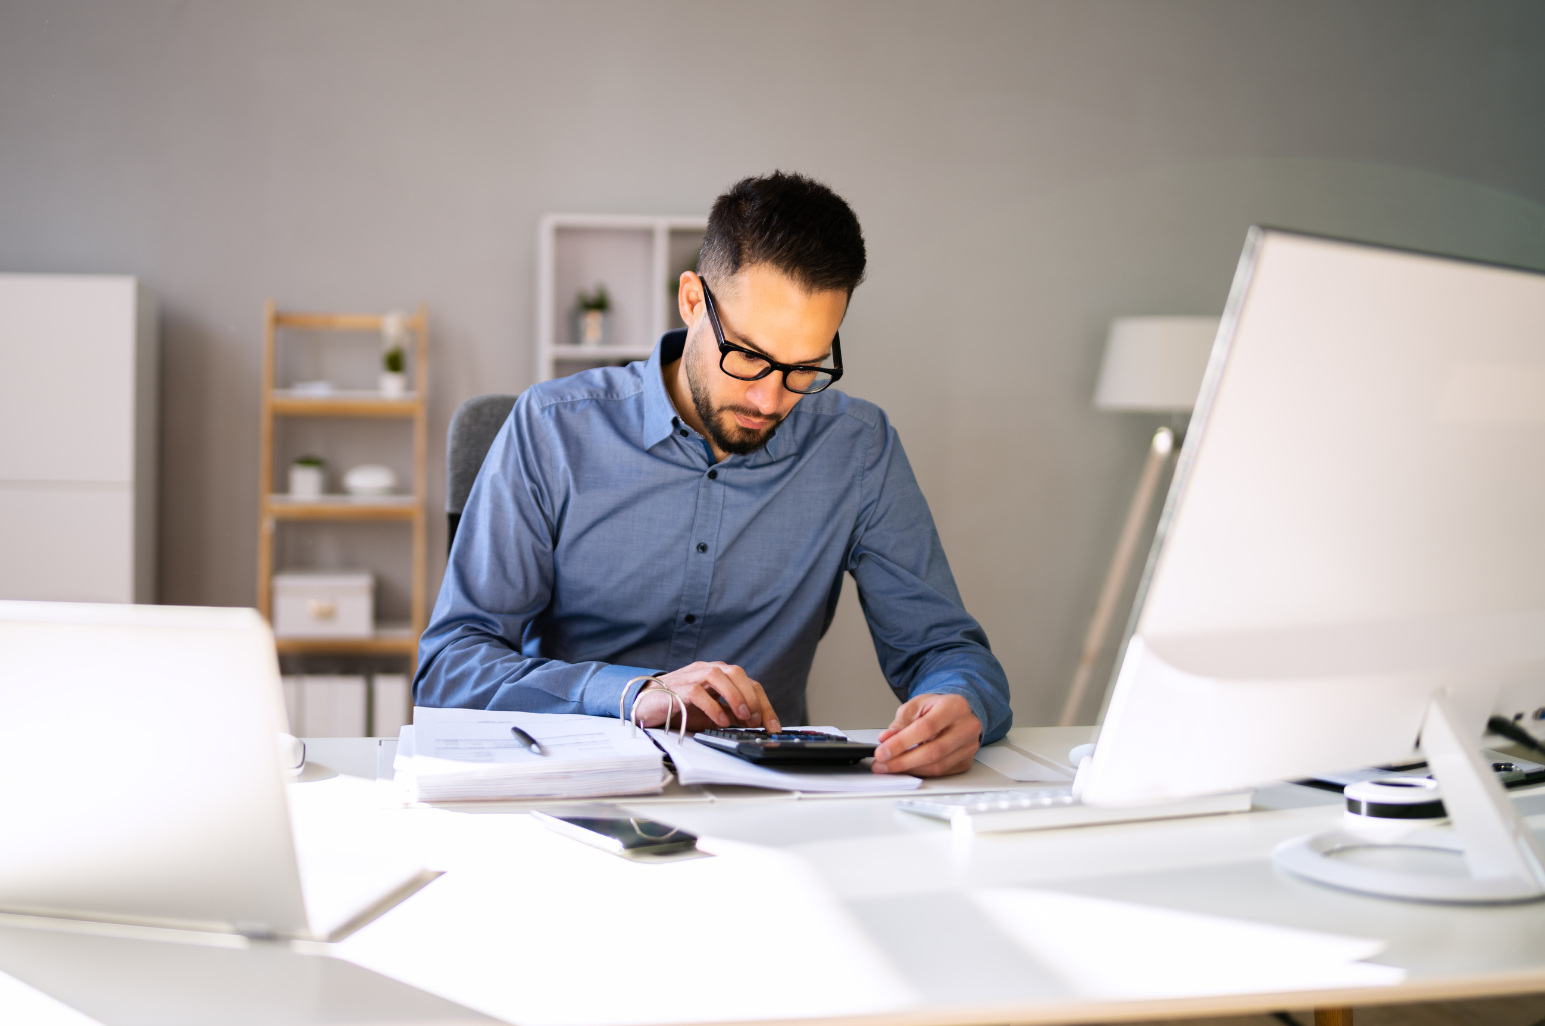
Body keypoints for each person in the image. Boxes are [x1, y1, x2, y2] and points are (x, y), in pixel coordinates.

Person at [415, 171, 1010, 776]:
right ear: (694, 301)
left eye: (804, 368)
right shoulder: (553, 428)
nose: (770, 400)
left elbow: (943, 648)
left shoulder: (857, 447)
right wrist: (633, 693)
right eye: (749, 356)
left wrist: (961, 701)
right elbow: (450, 669)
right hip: (567, 784)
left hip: (767, 794)